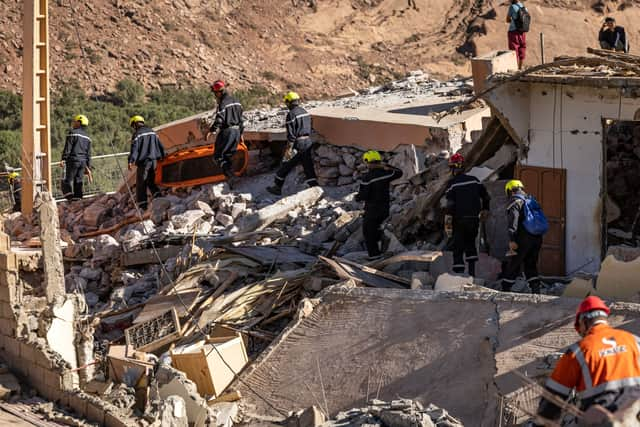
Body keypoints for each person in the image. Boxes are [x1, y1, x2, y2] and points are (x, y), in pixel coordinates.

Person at [535, 296, 640, 423]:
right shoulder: (634, 341)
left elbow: (552, 398)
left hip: (602, 420)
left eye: (579, 329)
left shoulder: (578, 351)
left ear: (583, 321)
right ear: (604, 318)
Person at [443, 153, 490, 277]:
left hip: (459, 220)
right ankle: (472, 274)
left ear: (453, 168)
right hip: (474, 220)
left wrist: (448, 224)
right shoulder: (474, 180)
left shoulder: (452, 184)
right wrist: (485, 209)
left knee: (457, 247)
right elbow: (486, 196)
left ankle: (458, 277)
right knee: (470, 244)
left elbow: (450, 205)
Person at [267, 91, 318, 196]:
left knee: (286, 164)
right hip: (308, 142)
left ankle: (277, 187)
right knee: (308, 166)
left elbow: (291, 135)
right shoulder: (305, 111)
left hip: (298, 144)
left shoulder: (291, 114)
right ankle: (315, 187)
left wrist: (288, 149)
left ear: (289, 102)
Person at [355, 151, 403, 259]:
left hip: (372, 210)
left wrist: (356, 197)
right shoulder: (386, 174)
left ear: (367, 162)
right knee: (379, 230)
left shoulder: (367, 177)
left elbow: (363, 195)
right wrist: (386, 165)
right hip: (384, 209)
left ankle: (374, 256)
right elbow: (399, 172)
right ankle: (383, 250)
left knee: (368, 232)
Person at [501, 180, 544, 293]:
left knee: (514, 263)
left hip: (523, 238)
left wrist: (512, 239)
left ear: (510, 191)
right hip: (537, 238)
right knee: (531, 264)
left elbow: (513, 222)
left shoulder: (515, 202)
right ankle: (536, 289)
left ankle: (505, 290)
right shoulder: (531, 201)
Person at [206, 80, 244, 185]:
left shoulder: (223, 103)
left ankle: (231, 177)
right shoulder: (237, 101)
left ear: (218, 92)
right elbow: (241, 120)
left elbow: (219, 119)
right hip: (236, 132)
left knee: (218, 157)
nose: (215, 96)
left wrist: (211, 130)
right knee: (228, 156)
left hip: (227, 132)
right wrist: (241, 134)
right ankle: (232, 177)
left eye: (214, 93)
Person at [128, 115, 166, 210]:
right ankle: (158, 197)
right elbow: (160, 145)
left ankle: (142, 205)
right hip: (154, 161)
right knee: (151, 181)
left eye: (133, 126)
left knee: (141, 183)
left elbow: (135, 149)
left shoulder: (137, 134)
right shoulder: (152, 132)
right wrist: (162, 156)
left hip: (144, 162)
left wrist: (131, 161)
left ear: (135, 124)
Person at [61, 114, 92, 200]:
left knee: (66, 181)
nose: (73, 123)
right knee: (78, 181)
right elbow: (88, 154)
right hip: (83, 162)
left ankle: (70, 199)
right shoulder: (87, 137)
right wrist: (88, 167)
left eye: (75, 121)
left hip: (73, 160)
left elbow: (68, 147)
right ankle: (78, 200)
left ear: (79, 122)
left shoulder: (72, 133)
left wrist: (63, 158)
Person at [506, 0, 528, 70]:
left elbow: (507, 19)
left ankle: (515, 69)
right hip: (522, 32)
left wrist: (512, 20)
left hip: (513, 32)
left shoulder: (512, 7)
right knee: (522, 50)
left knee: (514, 52)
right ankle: (520, 68)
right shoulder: (524, 7)